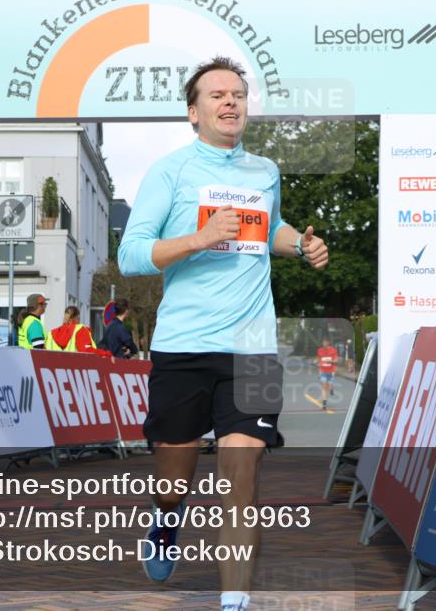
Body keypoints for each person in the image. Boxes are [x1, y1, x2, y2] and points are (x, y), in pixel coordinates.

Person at [117, 56, 329, 611]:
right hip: (184, 347)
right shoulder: (171, 172)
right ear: (194, 112)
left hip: (252, 349)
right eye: (216, 95)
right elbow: (132, 254)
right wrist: (198, 237)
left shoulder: (264, 172)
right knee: (174, 480)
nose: (230, 102)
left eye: (237, 93)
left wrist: (299, 246)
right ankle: (166, 522)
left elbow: (271, 229)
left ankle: (234, 600)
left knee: (241, 479)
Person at [315, 337, 339, 412]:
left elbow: (336, 360)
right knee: (324, 386)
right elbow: (318, 359)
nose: (324, 343)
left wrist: (331, 361)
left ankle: (331, 388)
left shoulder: (333, 350)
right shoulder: (320, 350)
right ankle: (324, 404)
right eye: (323, 342)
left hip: (331, 371)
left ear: (328, 342)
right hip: (323, 371)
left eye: (325, 342)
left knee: (328, 386)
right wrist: (315, 361)